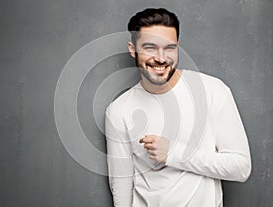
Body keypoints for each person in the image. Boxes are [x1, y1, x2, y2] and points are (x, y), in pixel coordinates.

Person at [105, 8, 251, 207]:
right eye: (150, 47)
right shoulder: (119, 110)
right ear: (133, 49)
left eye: (169, 48)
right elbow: (121, 186)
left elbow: (241, 168)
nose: (161, 58)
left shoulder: (212, 90)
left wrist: (173, 153)